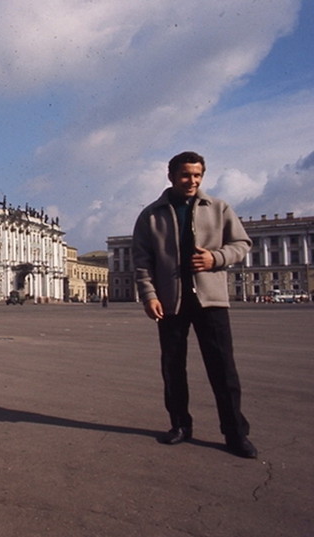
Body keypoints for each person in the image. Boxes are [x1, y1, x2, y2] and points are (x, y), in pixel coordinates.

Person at [132, 151, 257, 458]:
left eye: (198, 175)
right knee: (173, 368)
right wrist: (149, 295)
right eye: (186, 175)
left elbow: (242, 244)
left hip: (210, 300)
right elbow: (142, 261)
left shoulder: (218, 207)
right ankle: (180, 425)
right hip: (170, 302)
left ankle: (234, 432)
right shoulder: (151, 215)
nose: (192, 181)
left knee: (223, 369)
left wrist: (216, 257)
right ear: (171, 176)